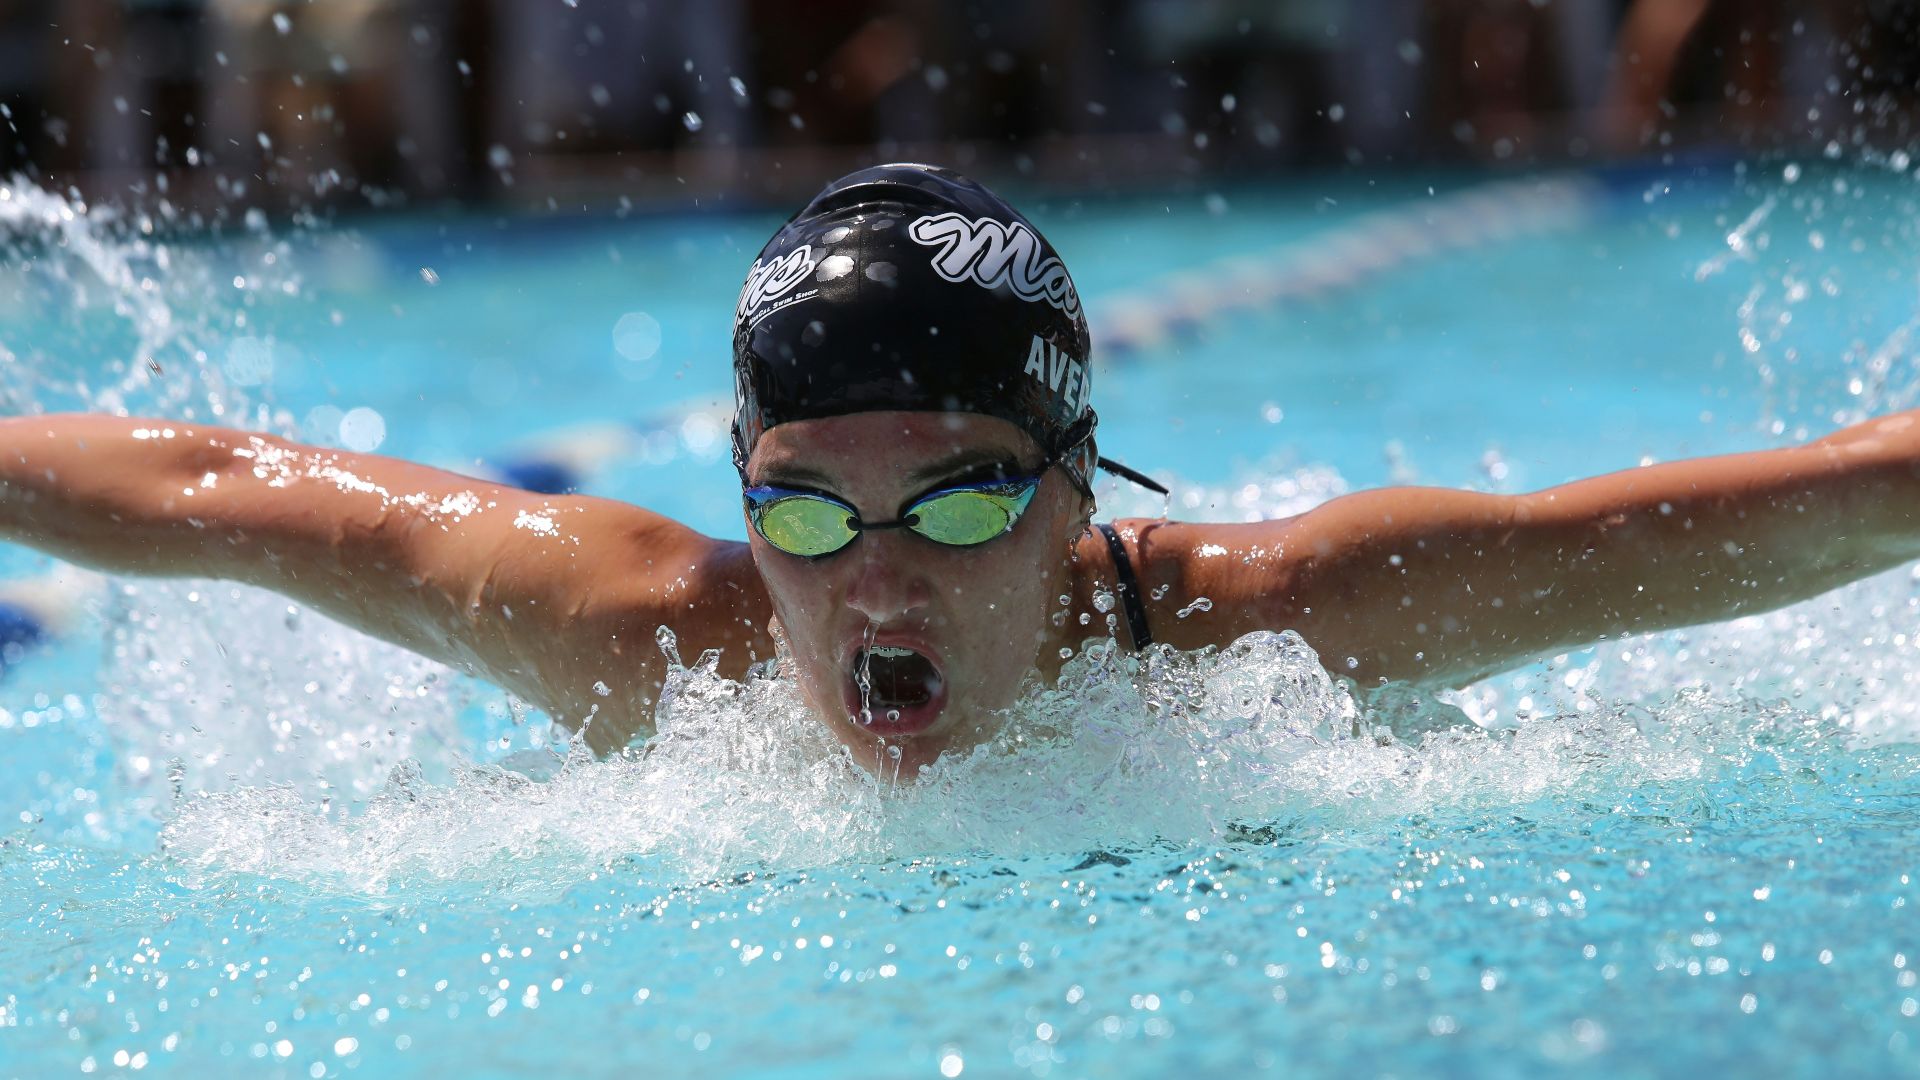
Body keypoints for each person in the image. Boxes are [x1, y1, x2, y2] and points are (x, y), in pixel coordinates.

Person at [2, 163, 1917, 776]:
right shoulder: (661, 646)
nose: (876, 580)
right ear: (743, 490)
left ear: (1083, 492)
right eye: (805, 510)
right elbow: (217, 492)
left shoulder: (1275, 633)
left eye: (965, 498)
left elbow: (1792, 512)